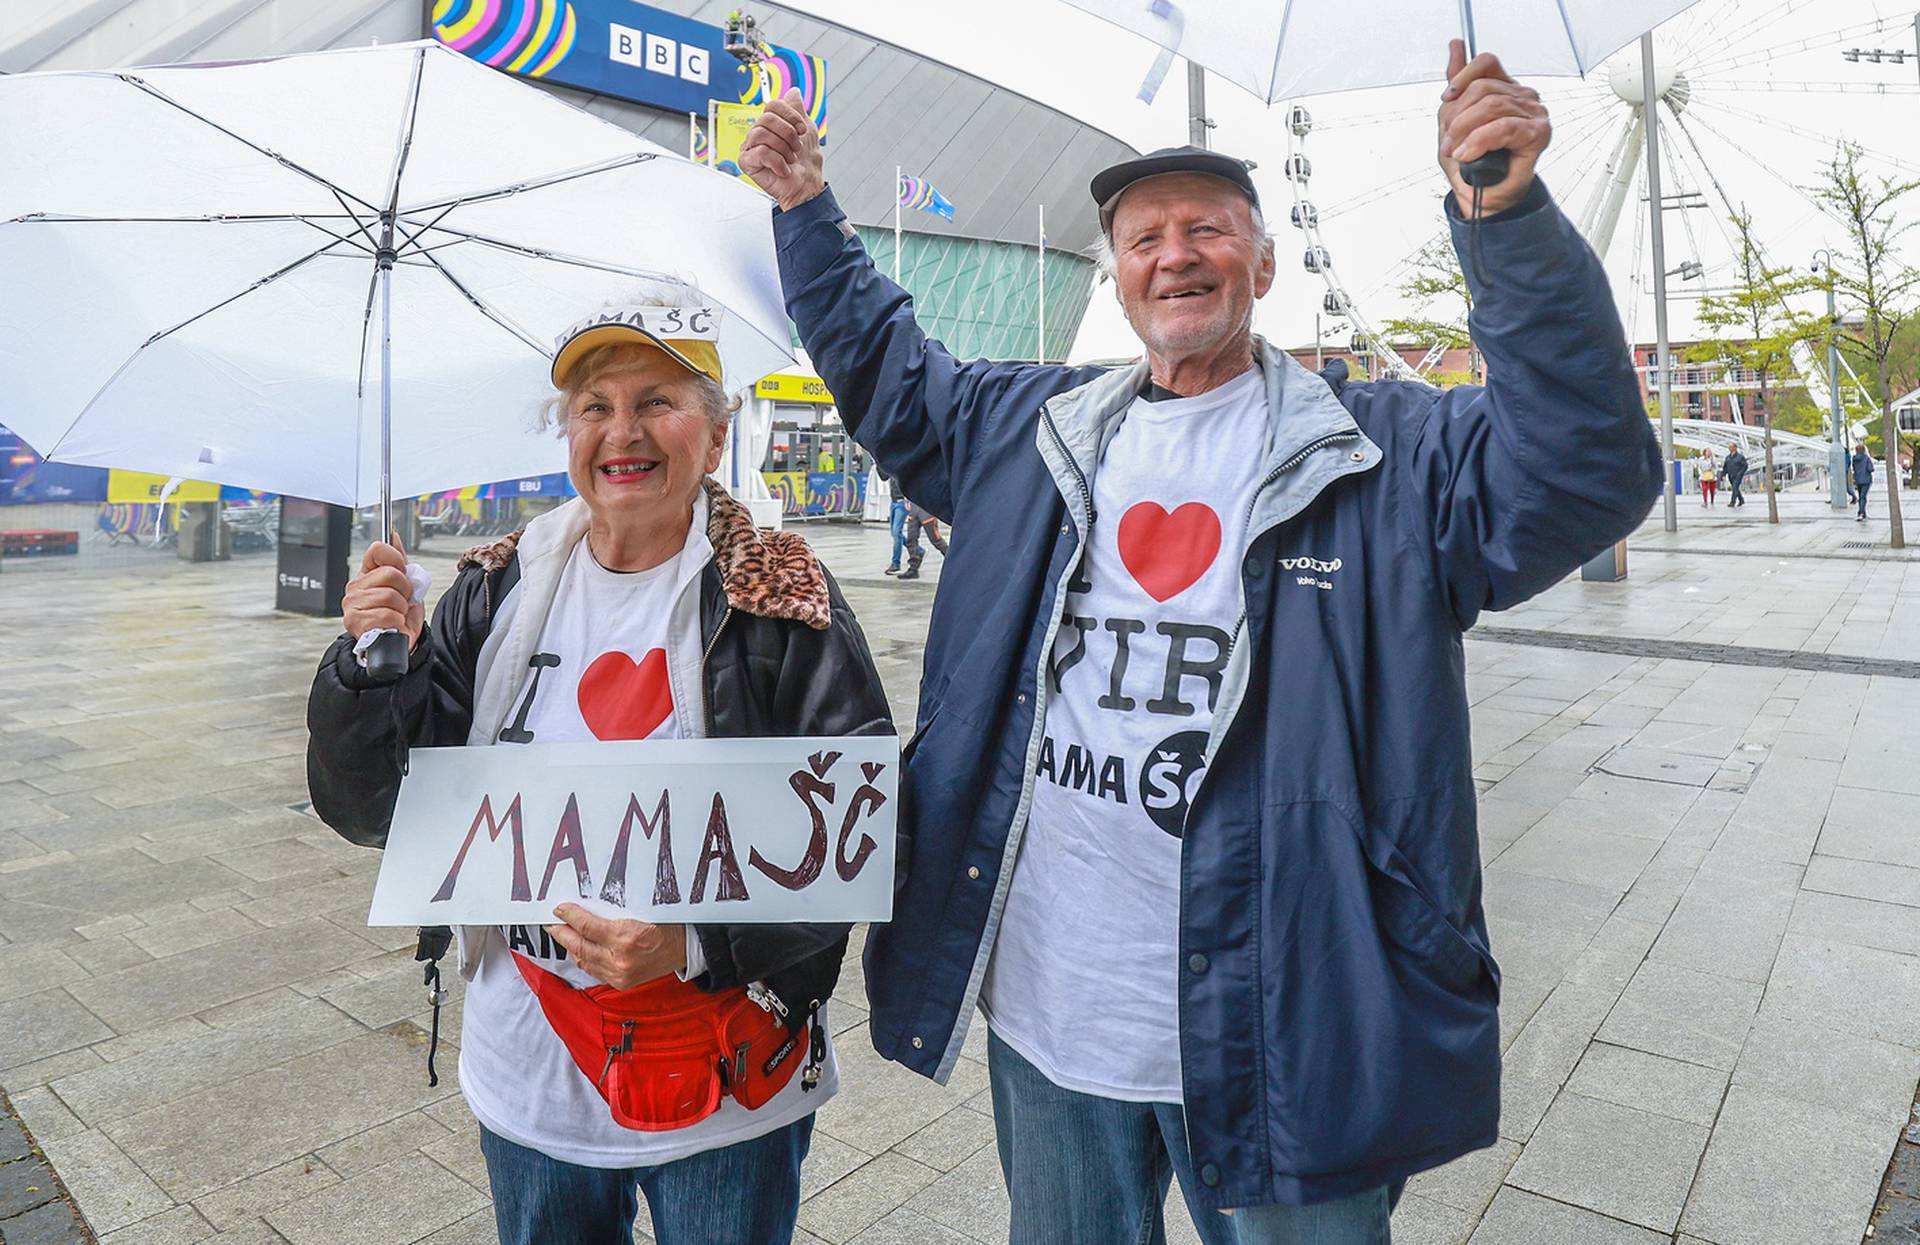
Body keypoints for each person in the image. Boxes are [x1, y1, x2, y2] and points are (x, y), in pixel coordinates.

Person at [741, 39, 1660, 1245]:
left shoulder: (1391, 454)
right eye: (1145, 238)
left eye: (1208, 229)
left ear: (1265, 262)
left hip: (1292, 1017)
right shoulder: (1028, 428)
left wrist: (1510, 218)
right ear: (1118, 279)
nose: (1175, 253)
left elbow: (1585, 466)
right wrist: (809, 213)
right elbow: (887, 374)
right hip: (1053, 1011)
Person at [304, 288, 893, 1245]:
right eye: (594, 406)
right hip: (531, 1074)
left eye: (656, 400)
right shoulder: (492, 590)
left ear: (712, 430)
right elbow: (375, 808)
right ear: (568, 432)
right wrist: (373, 672)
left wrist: (695, 941)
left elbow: (851, 841)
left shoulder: (783, 598)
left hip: (726, 1085)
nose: (624, 431)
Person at [897, 498, 947, 581]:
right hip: (914, 508)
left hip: (927, 510)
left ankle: (953, 559)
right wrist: (906, 500)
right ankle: (913, 569)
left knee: (935, 540)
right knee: (911, 540)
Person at [882, 474, 909, 575]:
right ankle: (917, 549)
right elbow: (883, 477)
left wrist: (908, 499)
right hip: (893, 502)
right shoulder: (891, 465)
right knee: (895, 533)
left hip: (902, 502)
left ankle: (895, 563)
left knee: (896, 532)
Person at [1854, 444, 1875, 520]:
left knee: (1860, 496)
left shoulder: (1854, 459)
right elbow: (1870, 469)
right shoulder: (1867, 458)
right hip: (1866, 480)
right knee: (1863, 497)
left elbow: (1854, 468)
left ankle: (1861, 511)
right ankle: (1862, 513)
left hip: (1858, 480)